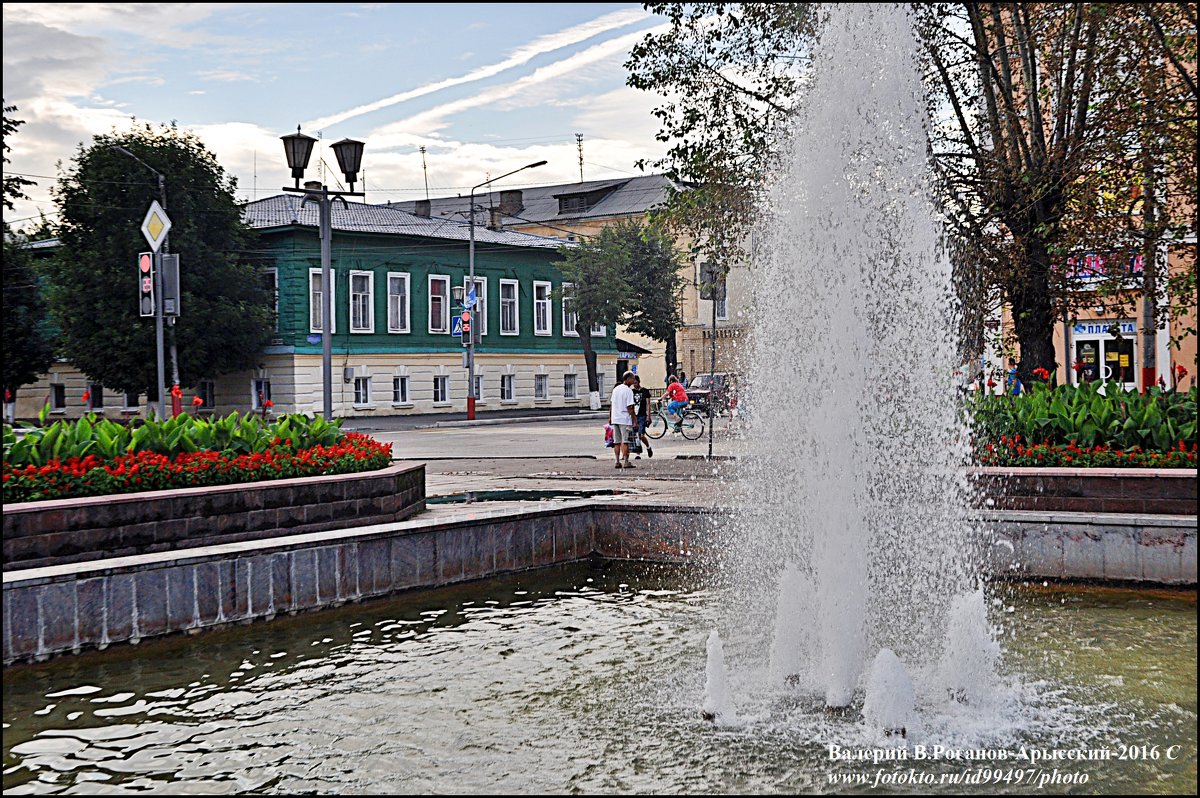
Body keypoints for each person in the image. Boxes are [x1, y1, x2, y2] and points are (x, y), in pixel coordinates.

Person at [608, 370, 638, 469]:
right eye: (633, 378)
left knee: (617, 441)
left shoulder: (616, 389)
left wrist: (610, 417)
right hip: (624, 419)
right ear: (628, 379)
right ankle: (626, 461)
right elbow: (630, 408)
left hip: (615, 418)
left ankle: (617, 461)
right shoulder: (628, 391)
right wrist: (634, 420)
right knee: (625, 441)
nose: (634, 381)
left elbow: (612, 404)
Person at [631, 375, 654, 459]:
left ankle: (648, 447)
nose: (634, 384)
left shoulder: (645, 391)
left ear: (639, 382)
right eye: (633, 383)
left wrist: (648, 416)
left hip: (642, 415)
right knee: (635, 434)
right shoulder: (631, 392)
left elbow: (648, 404)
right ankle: (638, 453)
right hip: (634, 416)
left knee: (640, 435)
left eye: (636, 383)